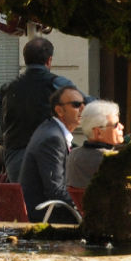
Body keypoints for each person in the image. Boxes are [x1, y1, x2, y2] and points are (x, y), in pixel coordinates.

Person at [0, 36, 74, 178]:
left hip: (15, 158)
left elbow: (4, 126)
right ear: (49, 60)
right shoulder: (55, 85)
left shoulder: (8, 88)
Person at [17, 86, 85, 221]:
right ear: (59, 110)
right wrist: (89, 205)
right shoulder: (52, 138)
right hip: (46, 216)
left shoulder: (51, 130)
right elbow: (55, 191)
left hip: (49, 211)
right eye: (76, 105)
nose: (83, 109)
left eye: (84, 104)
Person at [65, 98, 124, 192]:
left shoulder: (73, 155)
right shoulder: (113, 159)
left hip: (79, 206)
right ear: (98, 132)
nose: (122, 126)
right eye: (116, 125)